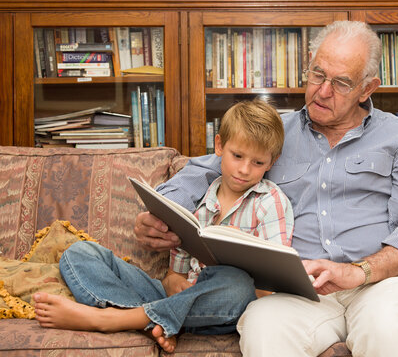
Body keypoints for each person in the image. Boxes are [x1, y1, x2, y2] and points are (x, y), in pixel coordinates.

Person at [135, 20, 398, 357]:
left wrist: (359, 272)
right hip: (299, 294)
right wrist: (163, 212)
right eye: (318, 74)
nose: (323, 91)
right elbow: (203, 170)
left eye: (341, 83)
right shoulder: (274, 133)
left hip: (381, 285)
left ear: (367, 89)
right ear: (308, 65)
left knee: (389, 332)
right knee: (263, 326)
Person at [33, 99, 294, 353]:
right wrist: (174, 284)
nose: (244, 169)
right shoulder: (200, 199)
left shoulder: (271, 203)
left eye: (258, 163)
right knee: (78, 253)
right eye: (237, 156)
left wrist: (241, 250)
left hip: (222, 305)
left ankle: (112, 319)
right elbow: (174, 277)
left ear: (272, 162)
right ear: (219, 146)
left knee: (236, 285)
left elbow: (268, 291)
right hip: (179, 302)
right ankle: (154, 323)